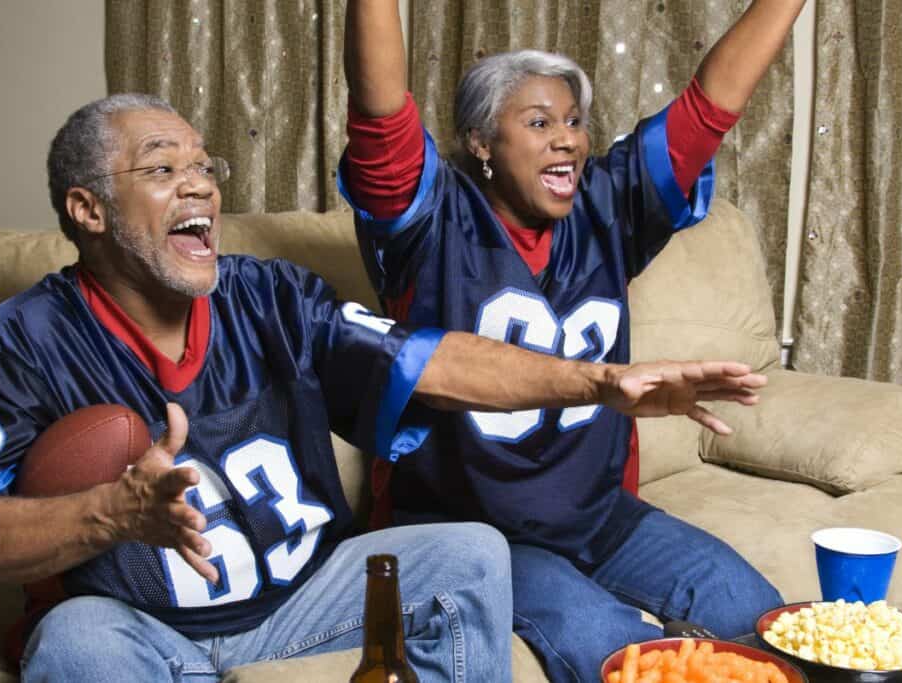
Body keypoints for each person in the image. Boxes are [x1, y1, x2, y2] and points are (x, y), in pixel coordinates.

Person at [0, 95, 768, 682]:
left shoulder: (269, 297)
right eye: (162, 168)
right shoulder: (21, 343)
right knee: (74, 642)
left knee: (470, 552)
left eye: (204, 165)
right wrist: (108, 513)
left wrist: (603, 380)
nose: (200, 185)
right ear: (87, 209)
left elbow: (435, 359)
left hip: (303, 595)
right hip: (141, 621)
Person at [340, 1, 806, 680]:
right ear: (480, 142)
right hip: (473, 536)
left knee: (763, 620)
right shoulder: (429, 221)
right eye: (537, 122)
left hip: (600, 517)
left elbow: (711, 106)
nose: (567, 139)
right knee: (616, 651)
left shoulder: (609, 205)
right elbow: (380, 109)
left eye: (574, 121)